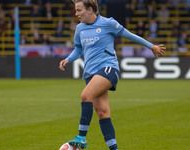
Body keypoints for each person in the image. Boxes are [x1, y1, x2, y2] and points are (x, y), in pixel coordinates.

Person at [59, 0, 166, 150]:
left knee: (85, 95)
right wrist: (68, 59)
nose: (76, 14)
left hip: (108, 68)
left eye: (79, 10)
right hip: (90, 73)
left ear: (90, 10)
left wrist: (151, 46)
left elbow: (130, 35)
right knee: (102, 113)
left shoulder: (108, 23)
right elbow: (78, 49)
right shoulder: (80, 29)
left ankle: (82, 137)